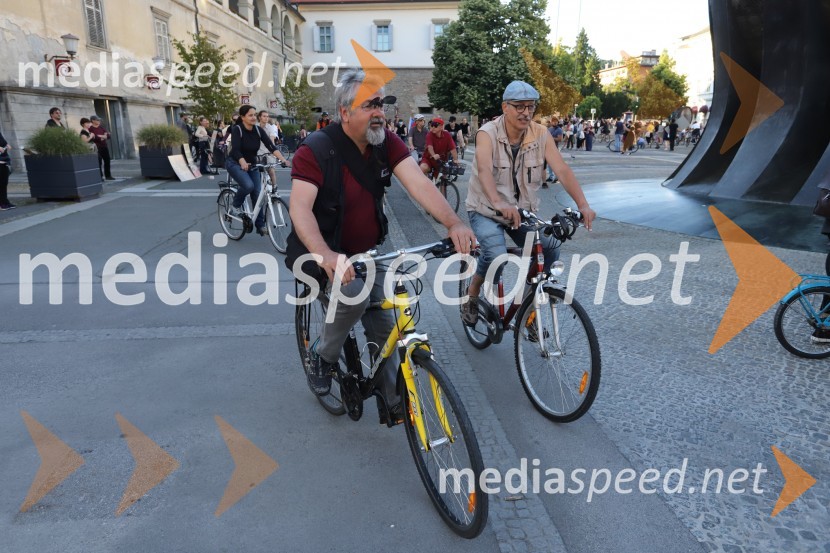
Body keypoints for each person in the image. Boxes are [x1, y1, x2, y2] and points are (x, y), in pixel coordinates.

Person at [285, 69, 476, 421]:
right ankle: (323, 357)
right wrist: (326, 255)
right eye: (370, 105)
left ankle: (394, 401)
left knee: (386, 326)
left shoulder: (384, 141)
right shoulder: (316, 150)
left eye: (382, 104)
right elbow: (299, 208)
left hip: (369, 250)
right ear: (345, 112)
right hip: (322, 251)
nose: (379, 112)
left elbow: (418, 183)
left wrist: (453, 222)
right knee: (353, 295)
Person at [460, 80, 596, 325]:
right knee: (496, 254)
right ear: (505, 107)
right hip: (485, 209)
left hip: (521, 212)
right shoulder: (487, 133)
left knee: (550, 246)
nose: (526, 112)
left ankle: (527, 310)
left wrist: (583, 204)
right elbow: (484, 169)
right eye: (519, 106)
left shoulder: (541, 134)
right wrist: (498, 203)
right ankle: (472, 293)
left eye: (531, 107)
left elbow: (562, 170)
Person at [226, 105, 290, 236]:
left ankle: (260, 225)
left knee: (257, 192)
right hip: (235, 163)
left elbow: (271, 146)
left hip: (252, 164)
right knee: (248, 186)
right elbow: (236, 149)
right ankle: (235, 206)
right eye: (250, 115)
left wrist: (283, 159)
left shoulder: (258, 130)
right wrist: (242, 161)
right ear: (243, 117)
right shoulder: (238, 129)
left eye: (254, 115)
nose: (253, 117)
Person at [89, 115, 115, 180]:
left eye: (99, 120)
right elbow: (95, 137)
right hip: (97, 147)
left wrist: (101, 136)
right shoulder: (90, 129)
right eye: (97, 120)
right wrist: (103, 136)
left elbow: (108, 136)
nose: (99, 121)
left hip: (104, 146)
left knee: (107, 160)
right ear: (93, 121)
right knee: (99, 161)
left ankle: (108, 176)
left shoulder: (101, 128)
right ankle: (100, 177)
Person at [0, 131, 14, 210]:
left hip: (4, 159)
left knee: (4, 183)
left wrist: (6, 144)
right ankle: (2, 203)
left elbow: (1, 139)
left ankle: (5, 201)